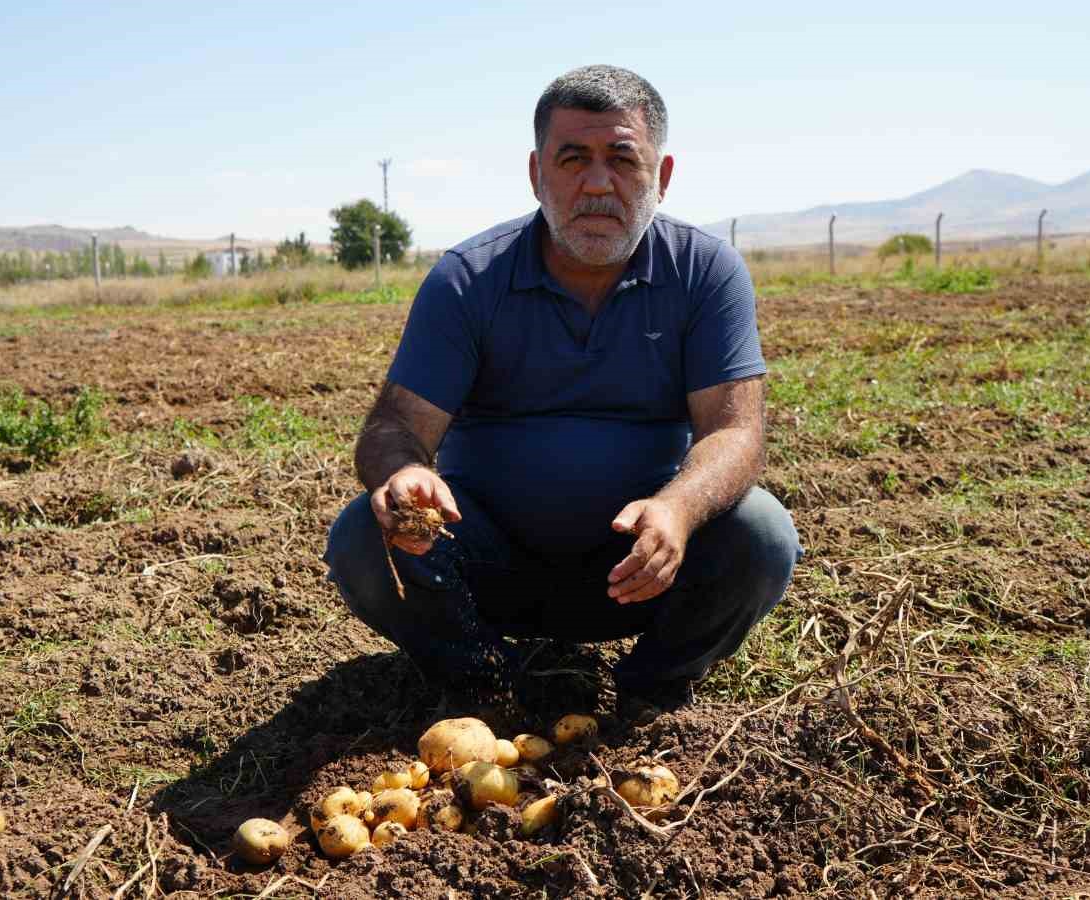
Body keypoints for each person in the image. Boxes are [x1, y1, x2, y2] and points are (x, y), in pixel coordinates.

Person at [323, 64, 801, 718]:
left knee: (762, 533)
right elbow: (393, 426)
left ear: (660, 178)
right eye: (573, 159)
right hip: (489, 570)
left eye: (622, 160)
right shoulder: (469, 280)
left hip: (642, 568)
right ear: (536, 175)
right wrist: (404, 473)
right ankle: (484, 685)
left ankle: (651, 696)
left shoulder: (703, 273)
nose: (597, 183)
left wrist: (678, 511)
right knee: (363, 535)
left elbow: (734, 432)